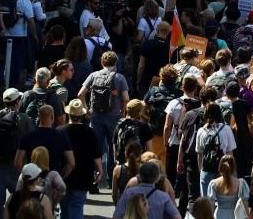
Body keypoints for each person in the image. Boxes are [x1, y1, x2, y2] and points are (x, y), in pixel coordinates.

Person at [78, 50, 129, 182]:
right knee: (113, 147)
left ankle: (94, 178)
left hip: (96, 116)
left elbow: (80, 94)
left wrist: (86, 109)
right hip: (114, 117)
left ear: (102, 62)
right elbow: (126, 98)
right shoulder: (119, 78)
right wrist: (122, 113)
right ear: (116, 63)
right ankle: (112, 180)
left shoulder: (93, 75)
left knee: (96, 148)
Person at [58, 99, 103, 219]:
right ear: (82, 115)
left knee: (64, 209)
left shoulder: (60, 131)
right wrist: (100, 170)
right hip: (83, 176)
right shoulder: (90, 132)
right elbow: (96, 155)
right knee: (77, 207)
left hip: (64, 175)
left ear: (69, 114)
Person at [113, 161, 180, 219]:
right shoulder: (163, 197)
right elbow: (177, 217)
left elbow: (117, 215)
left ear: (139, 176)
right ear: (157, 178)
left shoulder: (128, 193)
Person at [207, 154, 249, 219]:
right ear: (234, 167)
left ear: (220, 167)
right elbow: (246, 203)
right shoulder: (241, 183)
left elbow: (211, 205)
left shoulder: (214, 183)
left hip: (219, 215)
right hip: (235, 215)